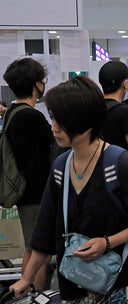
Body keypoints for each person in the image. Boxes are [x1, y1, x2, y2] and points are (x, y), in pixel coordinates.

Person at [10, 76, 128, 302]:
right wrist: (26, 279)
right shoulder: (61, 167)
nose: (54, 127)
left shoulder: (120, 164)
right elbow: (45, 231)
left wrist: (107, 242)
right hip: (79, 286)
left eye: (61, 121)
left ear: (84, 122)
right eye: (53, 118)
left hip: (125, 286)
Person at [2, 58, 53, 291]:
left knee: (31, 246)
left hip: (25, 192)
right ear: (37, 84)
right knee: (39, 249)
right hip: (36, 192)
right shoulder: (31, 116)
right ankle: (36, 295)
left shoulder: (12, 113)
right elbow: (45, 154)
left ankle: (27, 293)